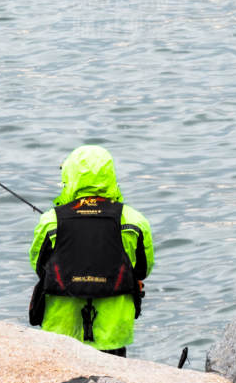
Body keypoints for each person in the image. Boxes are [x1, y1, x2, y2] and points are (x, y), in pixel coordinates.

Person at [28, 144, 154, 355]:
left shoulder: (51, 221)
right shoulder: (134, 220)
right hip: (113, 332)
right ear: (110, 175)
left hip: (61, 329)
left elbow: (40, 267)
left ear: (69, 175)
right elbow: (142, 269)